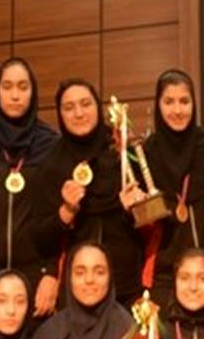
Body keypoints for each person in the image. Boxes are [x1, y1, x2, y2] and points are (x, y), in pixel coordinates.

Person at [0, 59, 60, 319]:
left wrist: (52, 272)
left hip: (35, 277)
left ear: (33, 92)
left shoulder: (51, 145)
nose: (15, 95)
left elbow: (59, 216)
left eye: (23, 87)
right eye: (7, 87)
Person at [31, 80, 145, 305]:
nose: (79, 113)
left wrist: (133, 210)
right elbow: (41, 239)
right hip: (78, 285)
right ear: (60, 114)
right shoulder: (51, 164)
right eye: (69, 107)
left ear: (98, 107)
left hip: (126, 283)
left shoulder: (123, 150)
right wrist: (66, 211)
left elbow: (154, 223)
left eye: (85, 104)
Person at [140, 70, 204, 306]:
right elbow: (144, 220)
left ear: (194, 104)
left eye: (184, 101)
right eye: (169, 102)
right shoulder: (147, 153)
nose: (177, 110)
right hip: (164, 275)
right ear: (158, 105)